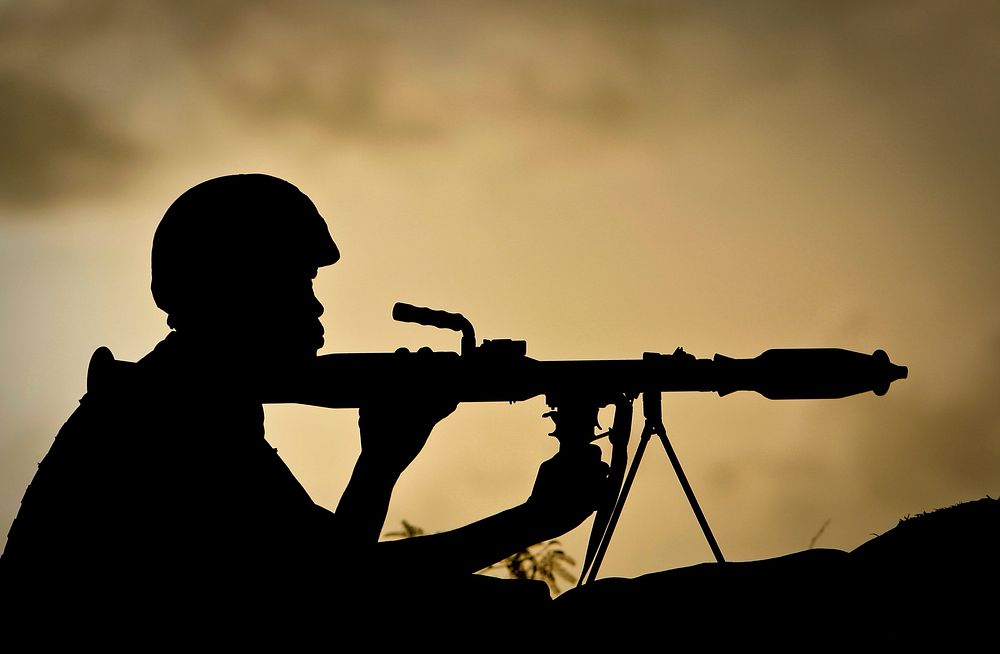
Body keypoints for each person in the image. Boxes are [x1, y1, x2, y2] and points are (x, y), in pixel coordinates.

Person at [0, 174, 609, 635]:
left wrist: (387, 454)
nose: (315, 309)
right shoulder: (167, 418)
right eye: (298, 283)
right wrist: (528, 517)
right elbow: (338, 595)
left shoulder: (182, 402)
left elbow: (325, 575)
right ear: (238, 288)